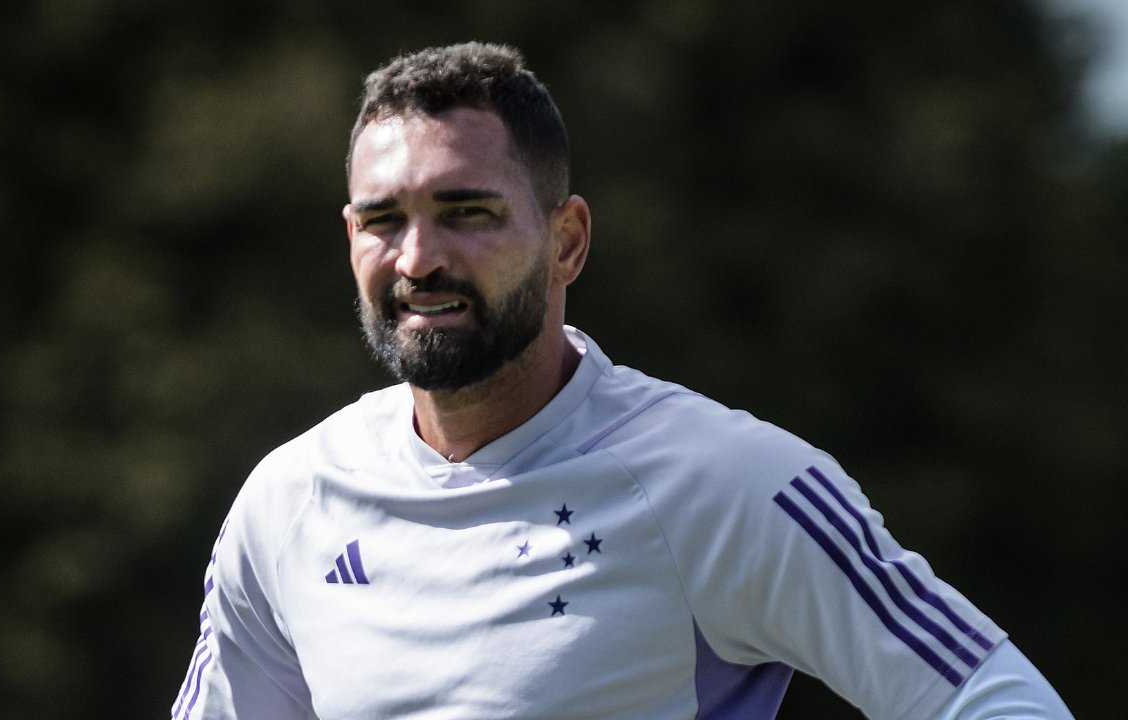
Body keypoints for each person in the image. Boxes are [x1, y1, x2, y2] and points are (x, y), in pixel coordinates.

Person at [171, 42, 1073, 719]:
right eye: (383, 221)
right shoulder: (290, 500)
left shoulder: (723, 481)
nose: (417, 259)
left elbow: (989, 698)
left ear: (566, 241)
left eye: (467, 212)